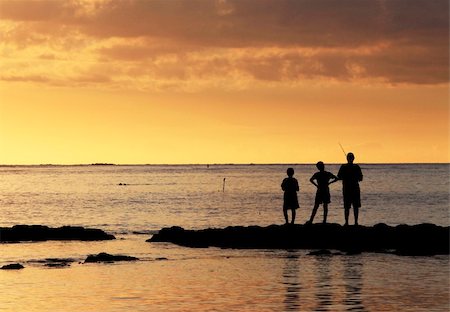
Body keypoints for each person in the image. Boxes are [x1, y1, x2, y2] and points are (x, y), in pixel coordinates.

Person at [337, 153, 363, 225]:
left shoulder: (343, 166)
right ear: (353, 158)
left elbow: (339, 177)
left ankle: (346, 222)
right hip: (355, 188)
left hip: (346, 189)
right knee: (355, 206)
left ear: (347, 158)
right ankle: (356, 222)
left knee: (347, 207)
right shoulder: (356, 167)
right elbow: (361, 178)